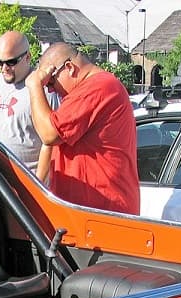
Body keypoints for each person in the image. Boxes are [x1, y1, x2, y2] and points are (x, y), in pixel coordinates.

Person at [25, 42, 139, 214]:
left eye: (50, 82)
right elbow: (50, 143)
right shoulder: (92, 88)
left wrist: (34, 85)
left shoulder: (98, 87)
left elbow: (49, 134)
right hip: (87, 213)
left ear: (69, 68)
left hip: (102, 213)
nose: (50, 90)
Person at [0, 31, 56, 180]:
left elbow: (52, 143)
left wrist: (37, 186)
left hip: (26, 183)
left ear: (28, 57)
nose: (4, 68)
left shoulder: (44, 89)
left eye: (11, 62)